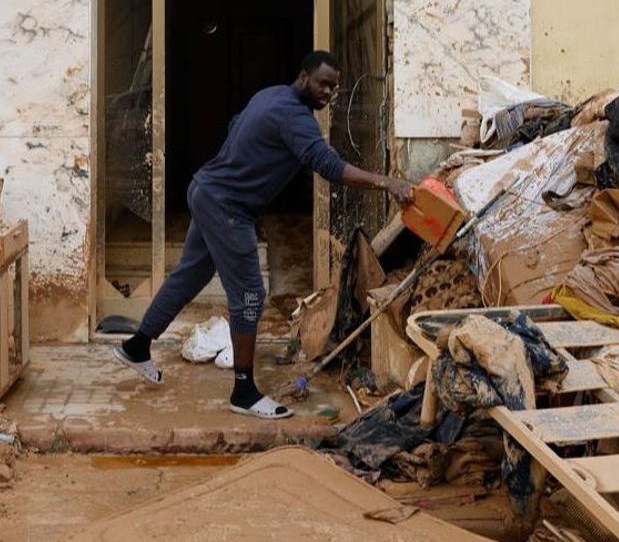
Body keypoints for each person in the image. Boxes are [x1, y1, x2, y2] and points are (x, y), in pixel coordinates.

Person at [112, 51, 413, 419]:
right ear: (304, 77)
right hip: (226, 208)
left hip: (206, 190)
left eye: (334, 87)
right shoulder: (294, 117)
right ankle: (244, 392)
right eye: (323, 84)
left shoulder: (270, 95)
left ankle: (137, 346)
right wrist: (386, 182)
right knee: (251, 295)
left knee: (191, 275)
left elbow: (236, 124)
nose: (328, 93)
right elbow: (329, 166)